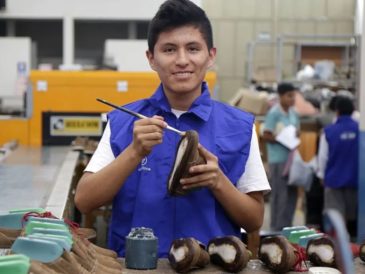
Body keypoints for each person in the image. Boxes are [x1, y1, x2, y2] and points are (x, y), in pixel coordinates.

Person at [75, 0, 270, 257]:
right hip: (137, 267)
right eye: (169, 49)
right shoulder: (124, 122)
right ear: (151, 58)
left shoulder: (240, 127)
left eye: (192, 48)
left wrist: (218, 182)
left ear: (210, 56)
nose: (181, 60)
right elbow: (84, 201)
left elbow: (254, 220)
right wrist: (134, 152)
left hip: (211, 269)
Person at [317, 96, 358, 238]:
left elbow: (323, 157)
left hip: (334, 181)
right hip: (356, 181)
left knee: (335, 219)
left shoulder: (328, 131)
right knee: (354, 220)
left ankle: (337, 252)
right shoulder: (360, 130)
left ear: (337, 112)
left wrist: (321, 176)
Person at [262, 82, 300, 231]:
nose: (292, 99)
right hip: (278, 160)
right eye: (289, 96)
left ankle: (288, 227)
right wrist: (282, 138)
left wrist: (296, 135)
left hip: (291, 160)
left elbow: (297, 131)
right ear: (281, 96)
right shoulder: (274, 113)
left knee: (291, 194)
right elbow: (266, 134)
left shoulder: (293, 113)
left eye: (293, 96)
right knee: (279, 194)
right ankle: (276, 228)